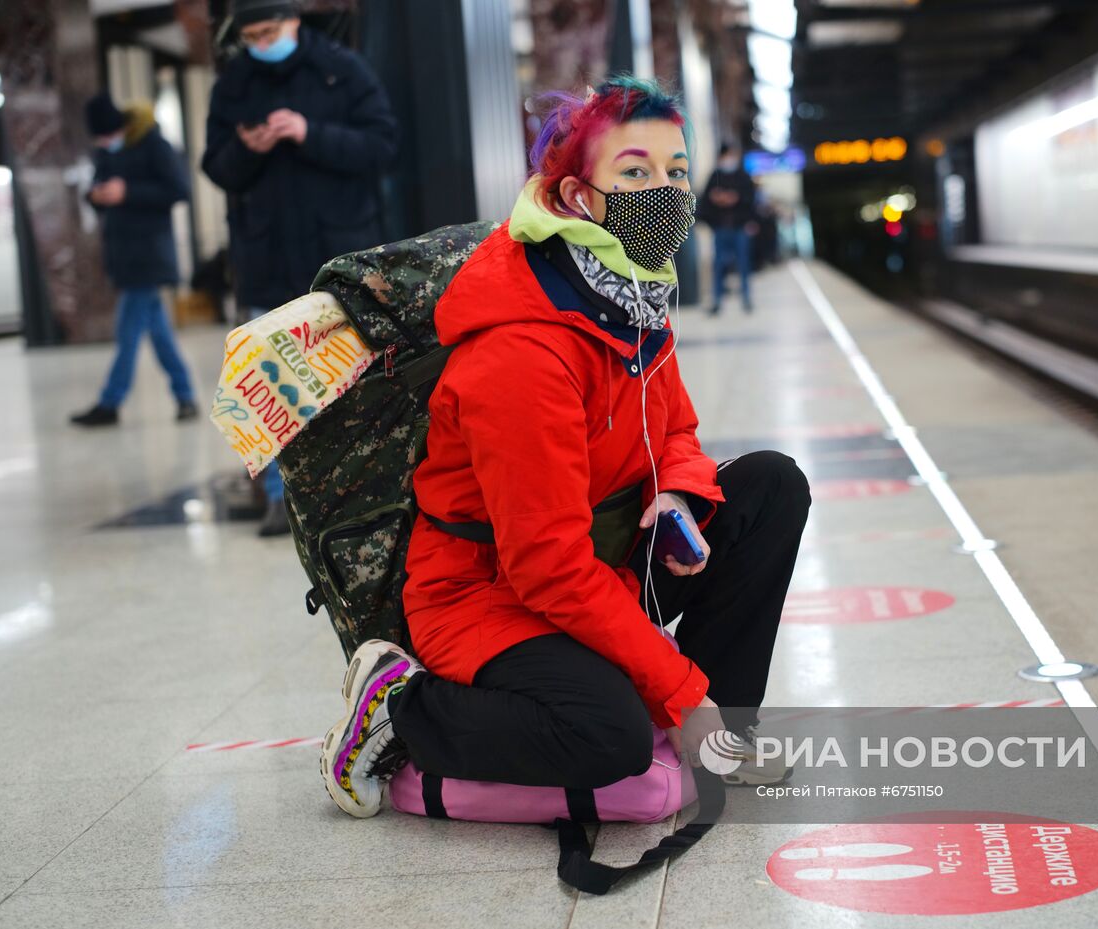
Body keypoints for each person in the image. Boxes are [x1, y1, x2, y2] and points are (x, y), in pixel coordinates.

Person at [318, 78, 811, 818]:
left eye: (677, 171)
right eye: (637, 173)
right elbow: (545, 567)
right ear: (581, 198)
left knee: (771, 486)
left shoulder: (630, 294)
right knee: (605, 734)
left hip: (598, 556)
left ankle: (717, 738)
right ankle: (403, 707)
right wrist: (677, 689)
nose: (668, 192)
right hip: (486, 593)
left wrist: (674, 491)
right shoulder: (523, 351)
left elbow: (674, 426)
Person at [202, 0, 397, 536]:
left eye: (271, 31)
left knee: (350, 378)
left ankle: (361, 494)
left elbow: (381, 145)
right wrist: (249, 148)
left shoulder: (341, 68)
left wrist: (309, 133)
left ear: (293, 23)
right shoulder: (233, 83)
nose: (263, 43)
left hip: (339, 255)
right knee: (269, 378)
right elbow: (216, 166)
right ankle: (279, 499)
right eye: (252, 36)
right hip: (266, 255)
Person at [70, 93, 197, 428]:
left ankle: (110, 403)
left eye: (108, 136)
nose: (104, 143)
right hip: (122, 255)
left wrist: (129, 192)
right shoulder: (105, 150)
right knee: (158, 333)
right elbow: (96, 187)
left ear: (121, 127)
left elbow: (179, 189)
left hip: (149, 255)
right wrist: (95, 196)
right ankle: (185, 396)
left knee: (127, 331)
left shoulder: (155, 144)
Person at [697, 142, 758, 316]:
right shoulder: (714, 176)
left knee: (743, 264)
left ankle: (746, 298)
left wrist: (735, 198)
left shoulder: (743, 176)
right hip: (720, 227)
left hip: (739, 227)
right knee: (719, 265)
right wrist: (717, 198)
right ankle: (716, 300)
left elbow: (750, 199)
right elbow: (706, 199)